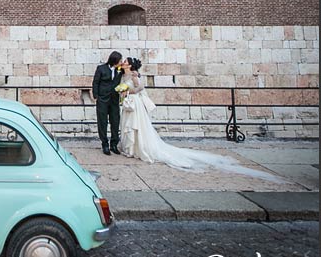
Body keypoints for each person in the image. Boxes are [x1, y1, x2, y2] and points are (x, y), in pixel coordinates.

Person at [117, 57, 284, 181]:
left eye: (125, 61)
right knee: (128, 125)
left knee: (136, 126)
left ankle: (138, 149)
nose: (123, 63)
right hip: (128, 104)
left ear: (130, 65)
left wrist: (127, 92)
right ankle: (130, 148)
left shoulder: (134, 74)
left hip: (135, 104)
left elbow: (140, 87)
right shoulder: (122, 75)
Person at [92, 51, 124, 155]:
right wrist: (96, 96)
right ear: (114, 61)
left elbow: (131, 71)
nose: (121, 62)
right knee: (102, 122)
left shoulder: (120, 70)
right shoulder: (101, 69)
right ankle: (104, 144)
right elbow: (96, 82)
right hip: (102, 99)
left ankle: (114, 144)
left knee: (115, 121)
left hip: (114, 99)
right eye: (120, 61)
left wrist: (137, 74)